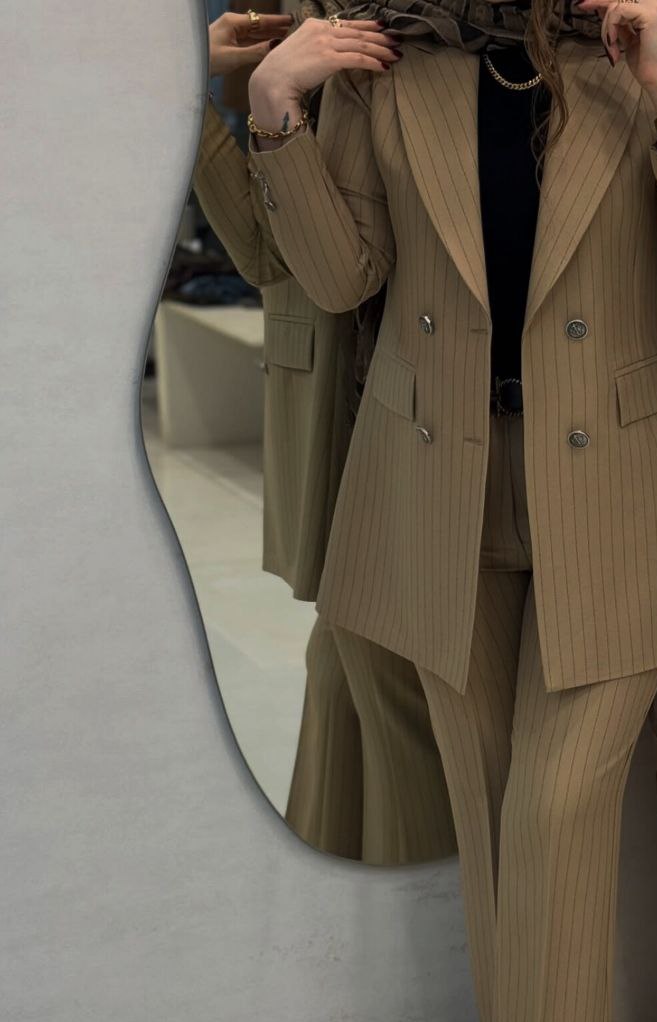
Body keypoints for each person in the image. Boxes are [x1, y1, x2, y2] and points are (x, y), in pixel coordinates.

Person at [242, 0, 657, 1022]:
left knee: (547, 814)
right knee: (494, 833)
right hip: (436, 493)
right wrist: (275, 110)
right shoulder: (387, 59)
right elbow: (339, 279)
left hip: (618, 500)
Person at [192, 7, 456, 865]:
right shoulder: (304, 20)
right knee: (353, 665)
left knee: (373, 671)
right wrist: (208, 96)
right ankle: (356, 919)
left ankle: (394, 920)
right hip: (350, 388)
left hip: (441, 394)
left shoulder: (444, 28)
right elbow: (266, 253)